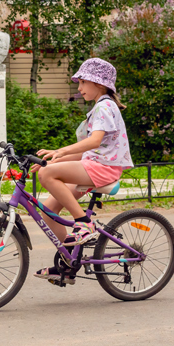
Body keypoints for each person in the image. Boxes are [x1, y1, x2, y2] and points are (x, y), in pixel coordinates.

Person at [30, 57, 132, 280]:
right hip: (95, 164)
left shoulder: (105, 106)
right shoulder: (101, 107)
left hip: (104, 168)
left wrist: (61, 154)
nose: (79, 88)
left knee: (48, 175)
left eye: (83, 82)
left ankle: (84, 224)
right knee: (48, 212)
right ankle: (68, 262)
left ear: (99, 83)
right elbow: (88, 151)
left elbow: (94, 143)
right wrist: (53, 159)